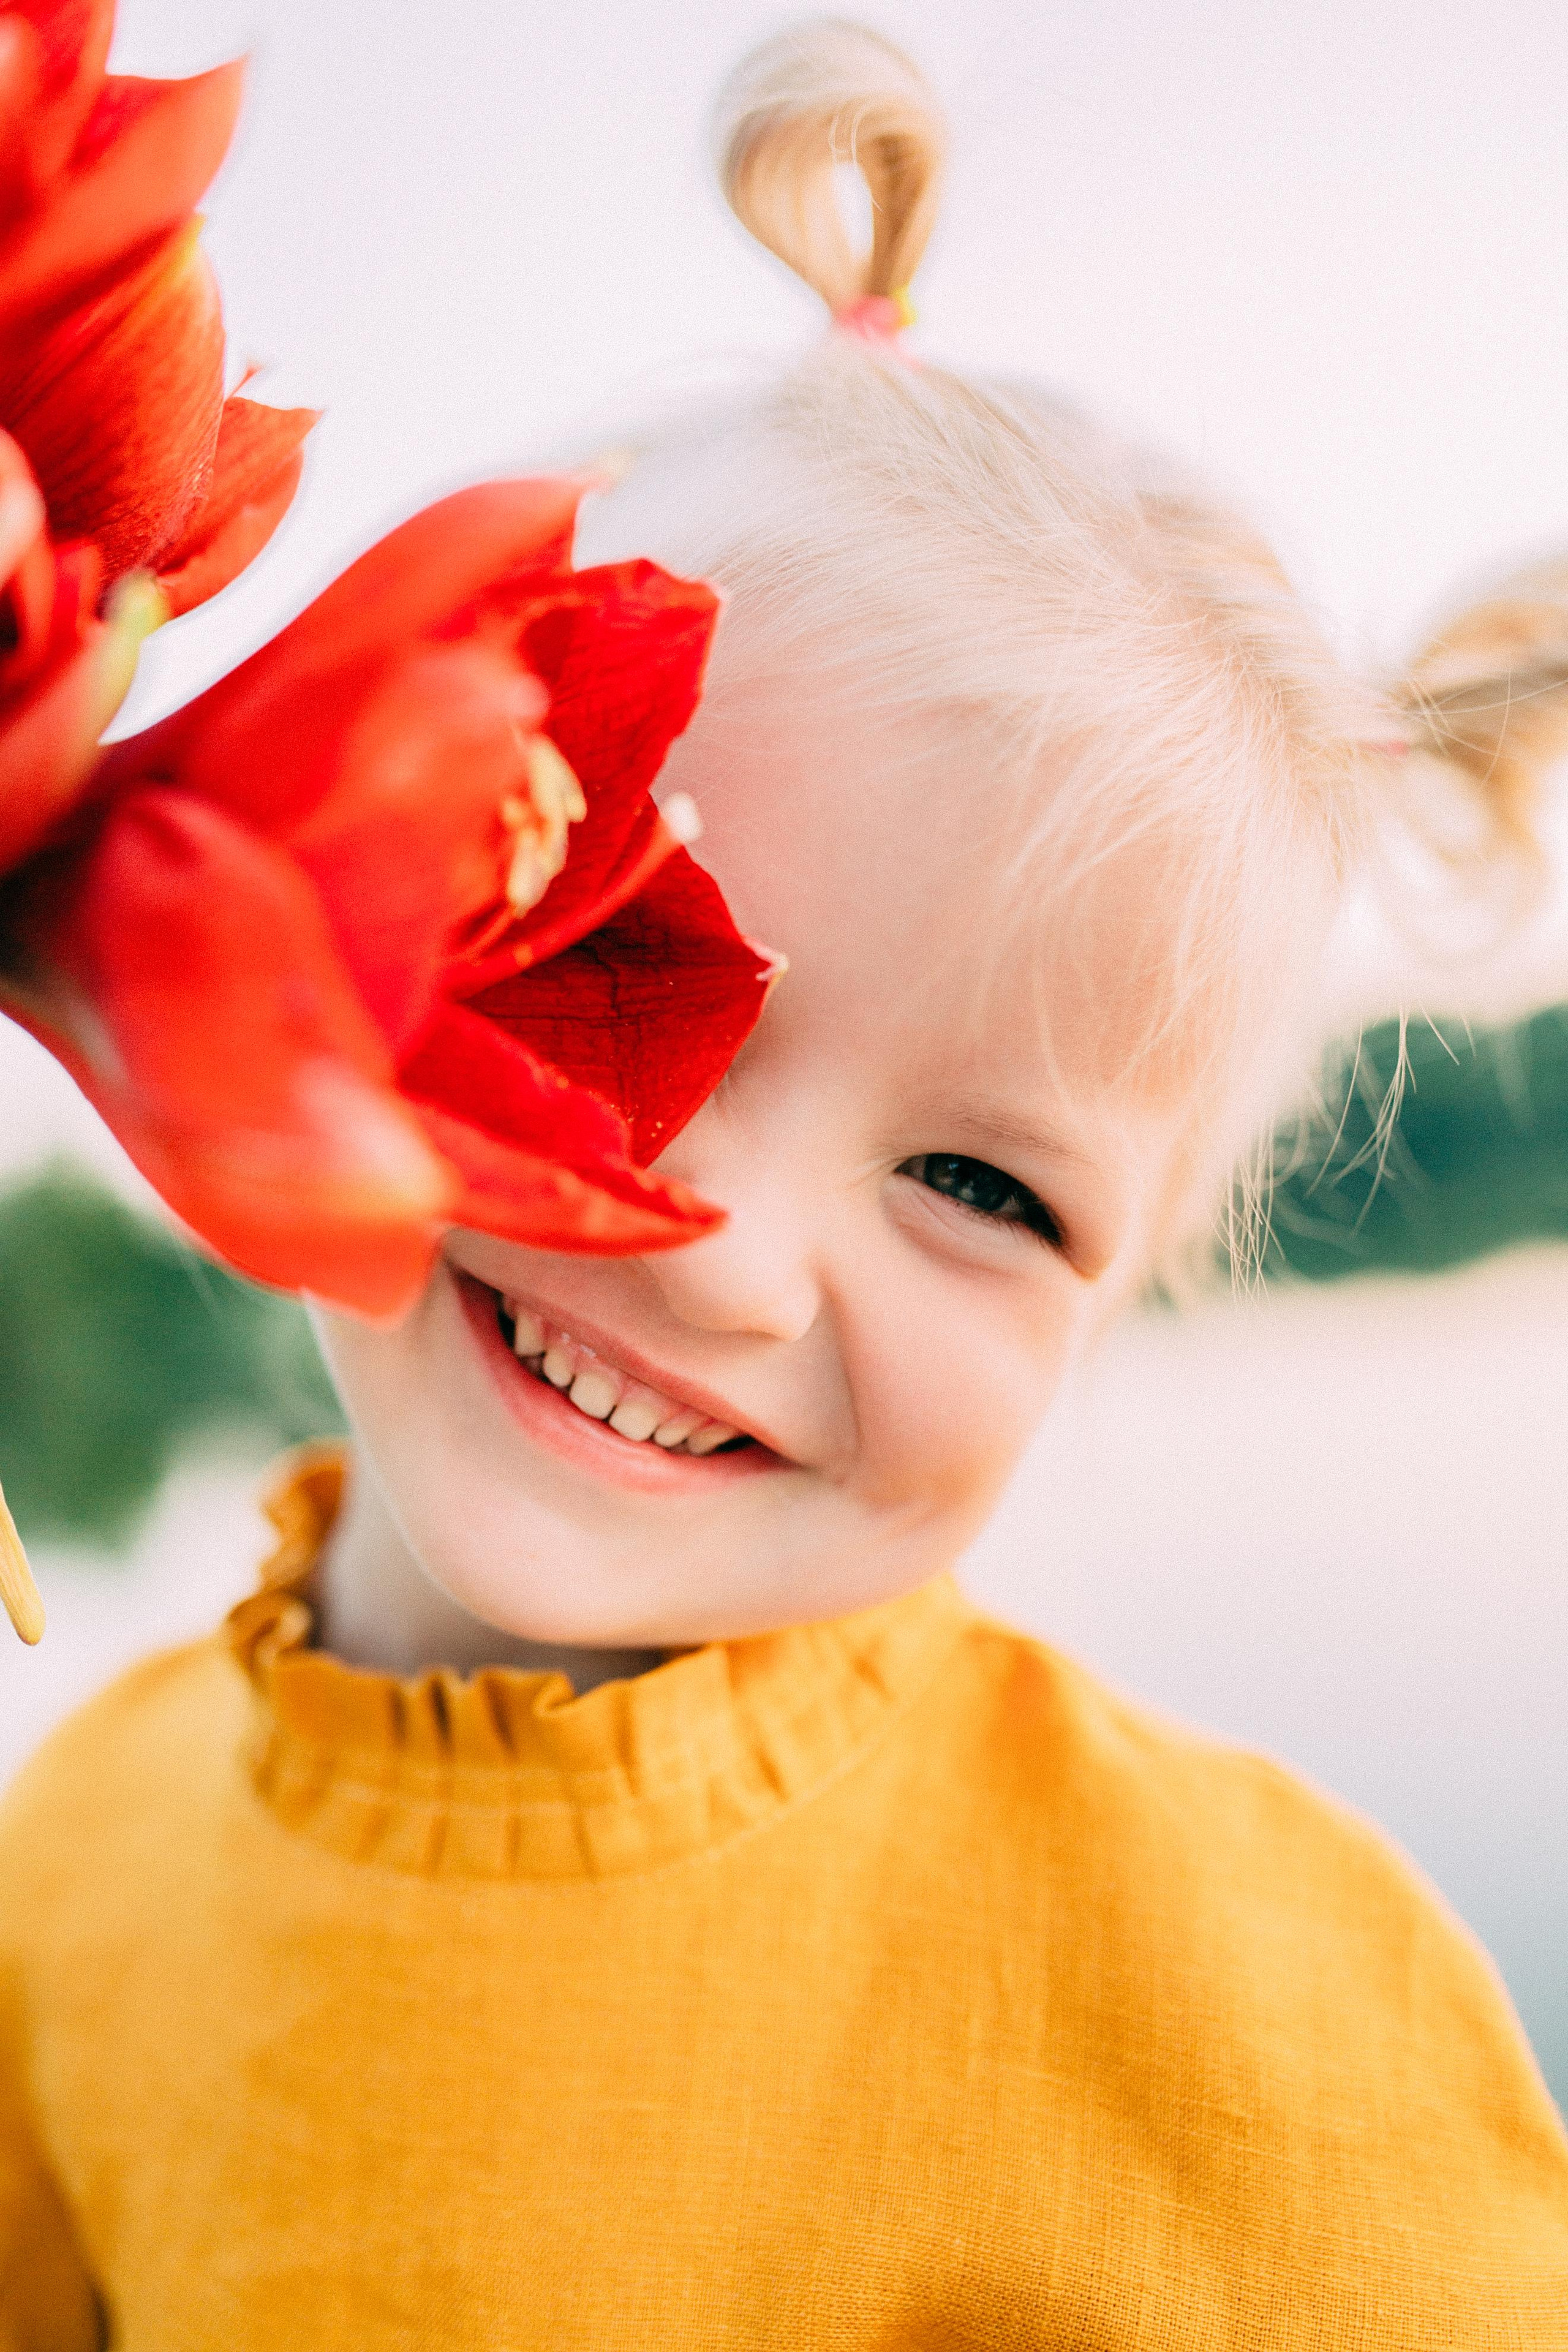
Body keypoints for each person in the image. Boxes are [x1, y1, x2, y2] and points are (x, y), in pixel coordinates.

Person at [2, 23, 1565, 2346]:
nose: (716, 1250)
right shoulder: (73, 1870)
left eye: (980, 1185)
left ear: (1118, 1311)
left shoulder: (1265, 2028)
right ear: (353, 902)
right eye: (606, 954)